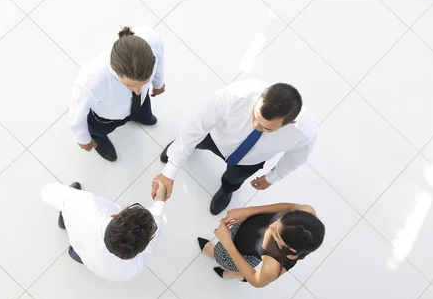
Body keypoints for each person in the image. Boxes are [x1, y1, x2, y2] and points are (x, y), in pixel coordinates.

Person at [151, 79, 317, 215]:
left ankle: (226, 190)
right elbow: (198, 125)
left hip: (250, 161)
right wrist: (171, 168)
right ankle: (177, 150)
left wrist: (272, 177)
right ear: (260, 97)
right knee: (195, 141)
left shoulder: (304, 133)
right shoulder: (237, 94)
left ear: (291, 122)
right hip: (216, 137)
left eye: (266, 128)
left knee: (233, 179)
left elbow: (296, 158)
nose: (255, 125)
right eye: (255, 116)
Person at [68, 26, 166, 162]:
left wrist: (158, 83)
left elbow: (159, 62)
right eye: (130, 85)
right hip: (106, 118)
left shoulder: (151, 40)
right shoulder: (89, 81)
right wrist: (83, 139)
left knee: (143, 105)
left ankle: (141, 115)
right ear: (115, 69)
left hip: (140, 104)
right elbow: (76, 115)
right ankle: (99, 140)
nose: (137, 91)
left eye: (144, 83)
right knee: (97, 131)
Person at [40, 180, 167, 281]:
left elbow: (45, 192)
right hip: (91, 262)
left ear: (113, 215)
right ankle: (72, 252)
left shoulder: (85, 205)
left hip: (77, 228)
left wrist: (69, 196)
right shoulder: (130, 270)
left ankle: (64, 221)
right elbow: (154, 239)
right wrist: (159, 201)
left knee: (68, 210)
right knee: (79, 254)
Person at [197, 203, 325, 287]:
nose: (271, 227)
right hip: (246, 227)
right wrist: (248, 211)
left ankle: (230, 267)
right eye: (278, 221)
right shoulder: (306, 212)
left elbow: (256, 281)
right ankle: (240, 275)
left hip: (243, 253)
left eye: (276, 234)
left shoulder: (273, 266)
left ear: (290, 248)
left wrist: (227, 243)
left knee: (221, 256)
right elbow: (288, 208)